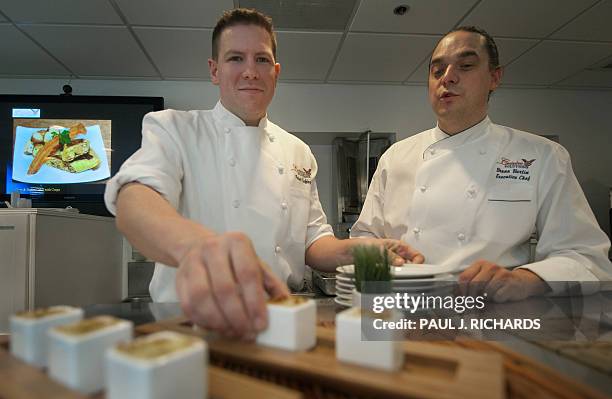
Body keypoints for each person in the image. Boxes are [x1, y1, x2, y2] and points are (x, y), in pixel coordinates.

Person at [104, 8, 422, 338]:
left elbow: (314, 242)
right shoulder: (175, 129)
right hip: (191, 324)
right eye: (235, 58)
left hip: (279, 321)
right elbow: (133, 202)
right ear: (214, 71)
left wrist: (356, 250)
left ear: (276, 71)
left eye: (261, 60)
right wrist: (197, 246)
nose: (250, 72)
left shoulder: (297, 151)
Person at [351, 26, 612, 302]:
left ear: (494, 77)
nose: (448, 78)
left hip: (494, 318)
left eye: (465, 66)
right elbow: (362, 241)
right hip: (403, 313)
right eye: (437, 71)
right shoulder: (396, 156)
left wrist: (526, 279)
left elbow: (587, 257)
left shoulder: (542, 156)